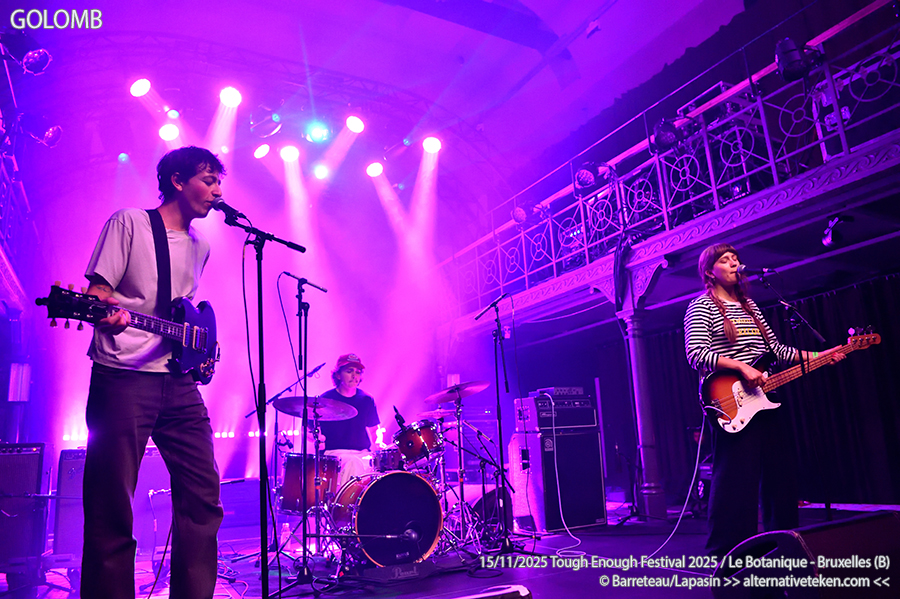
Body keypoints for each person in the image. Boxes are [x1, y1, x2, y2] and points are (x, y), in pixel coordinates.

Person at [81, 146, 226, 599]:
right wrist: (108, 313)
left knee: (203, 496)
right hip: (124, 376)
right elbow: (97, 293)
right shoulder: (129, 223)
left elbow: (185, 310)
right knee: (111, 501)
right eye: (208, 181)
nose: (218, 192)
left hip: (178, 380)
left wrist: (199, 346)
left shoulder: (201, 246)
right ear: (178, 181)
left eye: (219, 182)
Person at [684, 243, 844, 557]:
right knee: (736, 478)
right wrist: (741, 367)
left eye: (735, 258)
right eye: (725, 260)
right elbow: (696, 353)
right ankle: (729, 553)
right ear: (709, 272)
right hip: (730, 400)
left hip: (765, 397)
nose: (734, 263)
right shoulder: (702, 305)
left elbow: (778, 352)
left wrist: (822, 355)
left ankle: (781, 545)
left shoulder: (750, 307)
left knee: (781, 475)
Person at [318, 354, 381, 487]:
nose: (354, 376)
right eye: (349, 371)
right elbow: (308, 430)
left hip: (363, 453)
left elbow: (374, 430)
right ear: (338, 375)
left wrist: (379, 445)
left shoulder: (366, 399)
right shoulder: (325, 399)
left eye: (358, 372)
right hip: (334, 453)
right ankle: (346, 501)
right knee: (353, 463)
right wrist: (318, 439)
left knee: (378, 468)